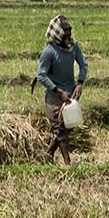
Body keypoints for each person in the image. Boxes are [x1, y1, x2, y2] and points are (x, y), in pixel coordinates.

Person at [35, 15, 87, 165]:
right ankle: (67, 163)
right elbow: (41, 76)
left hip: (70, 94)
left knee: (67, 126)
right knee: (60, 130)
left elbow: (83, 65)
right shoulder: (49, 52)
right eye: (66, 33)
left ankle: (47, 154)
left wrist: (80, 83)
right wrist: (58, 91)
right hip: (55, 96)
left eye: (70, 31)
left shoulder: (73, 47)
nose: (69, 35)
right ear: (57, 34)